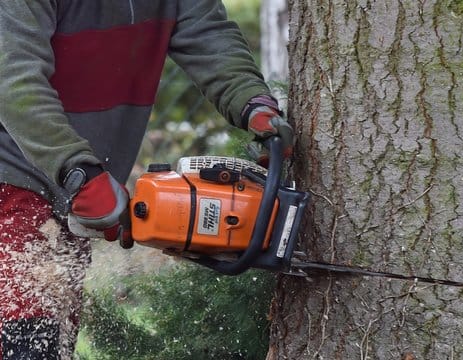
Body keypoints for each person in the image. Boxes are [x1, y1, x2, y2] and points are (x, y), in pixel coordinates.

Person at [0, 1, 293, 358]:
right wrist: (78, 171)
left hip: (74, 184)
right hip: (14, 173)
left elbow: (206, 32)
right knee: (26, 337)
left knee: (53, 333)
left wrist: (251, 102)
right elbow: (13, 78)